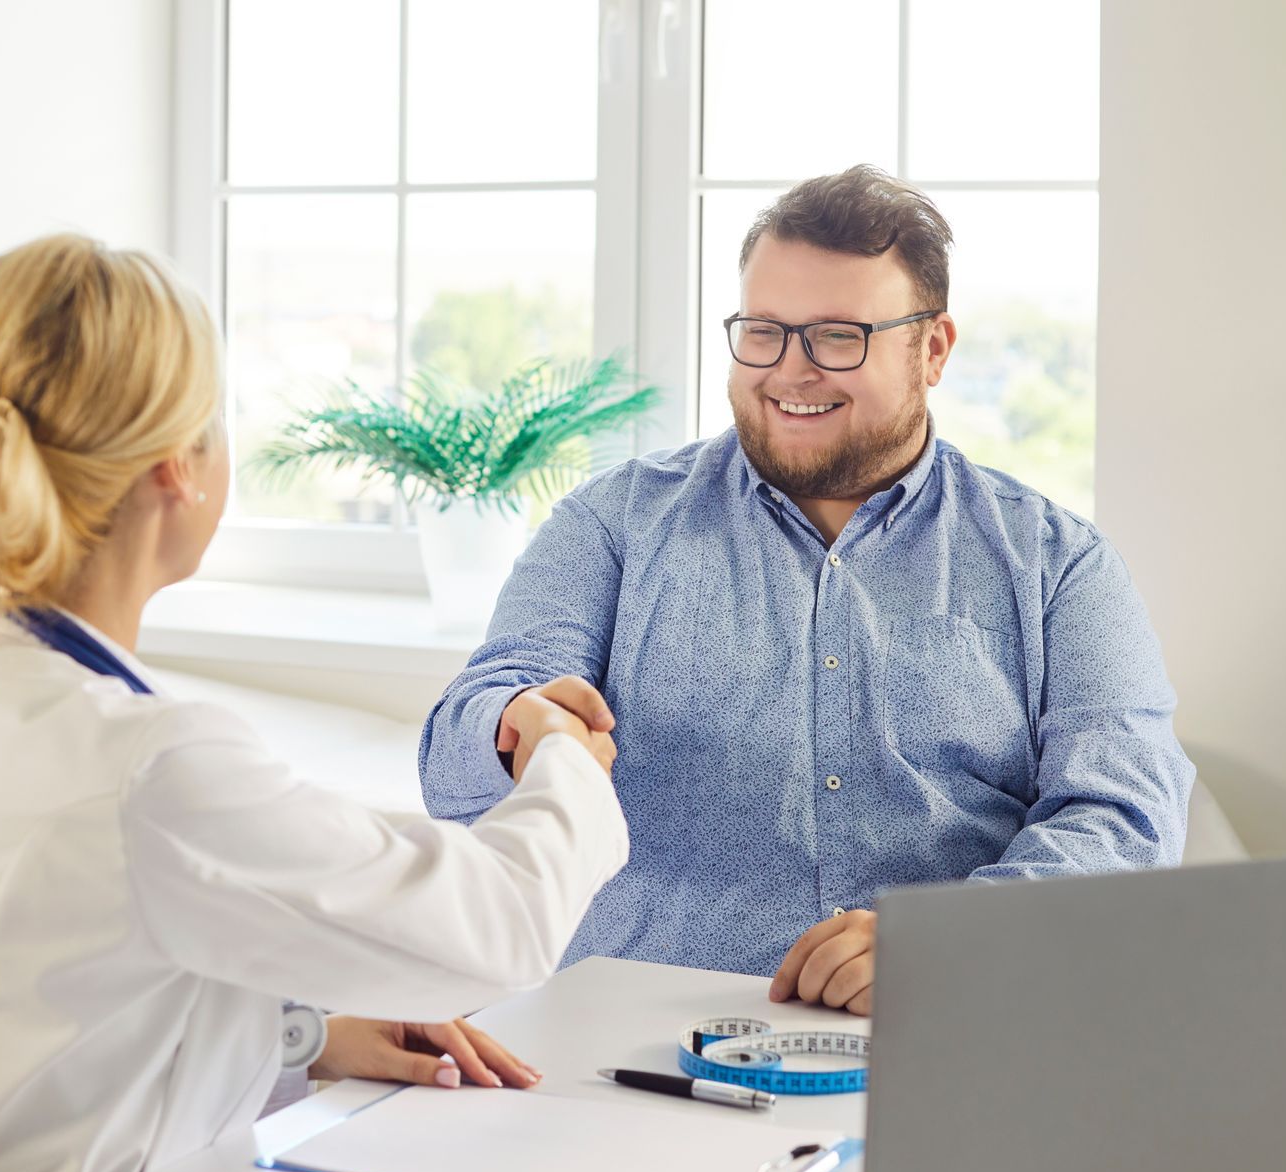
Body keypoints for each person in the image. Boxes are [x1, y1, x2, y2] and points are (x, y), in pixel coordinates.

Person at [0, 235, 628, 1172]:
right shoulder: (144, 764)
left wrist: (304, 1036)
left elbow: (41, 1007)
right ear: (176, 467)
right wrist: (567, 763)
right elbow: (500, 922)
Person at [419, 165, 1192, 1012]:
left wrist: (949, 940)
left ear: (931, 350)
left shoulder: (1058, 563)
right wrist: (515, 723)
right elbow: (456, 755)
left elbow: (1125, 816)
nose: (790, 372)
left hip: (942, 1027)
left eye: (836, 337)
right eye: (764, 332)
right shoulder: (613, 525)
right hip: (637, 1043)